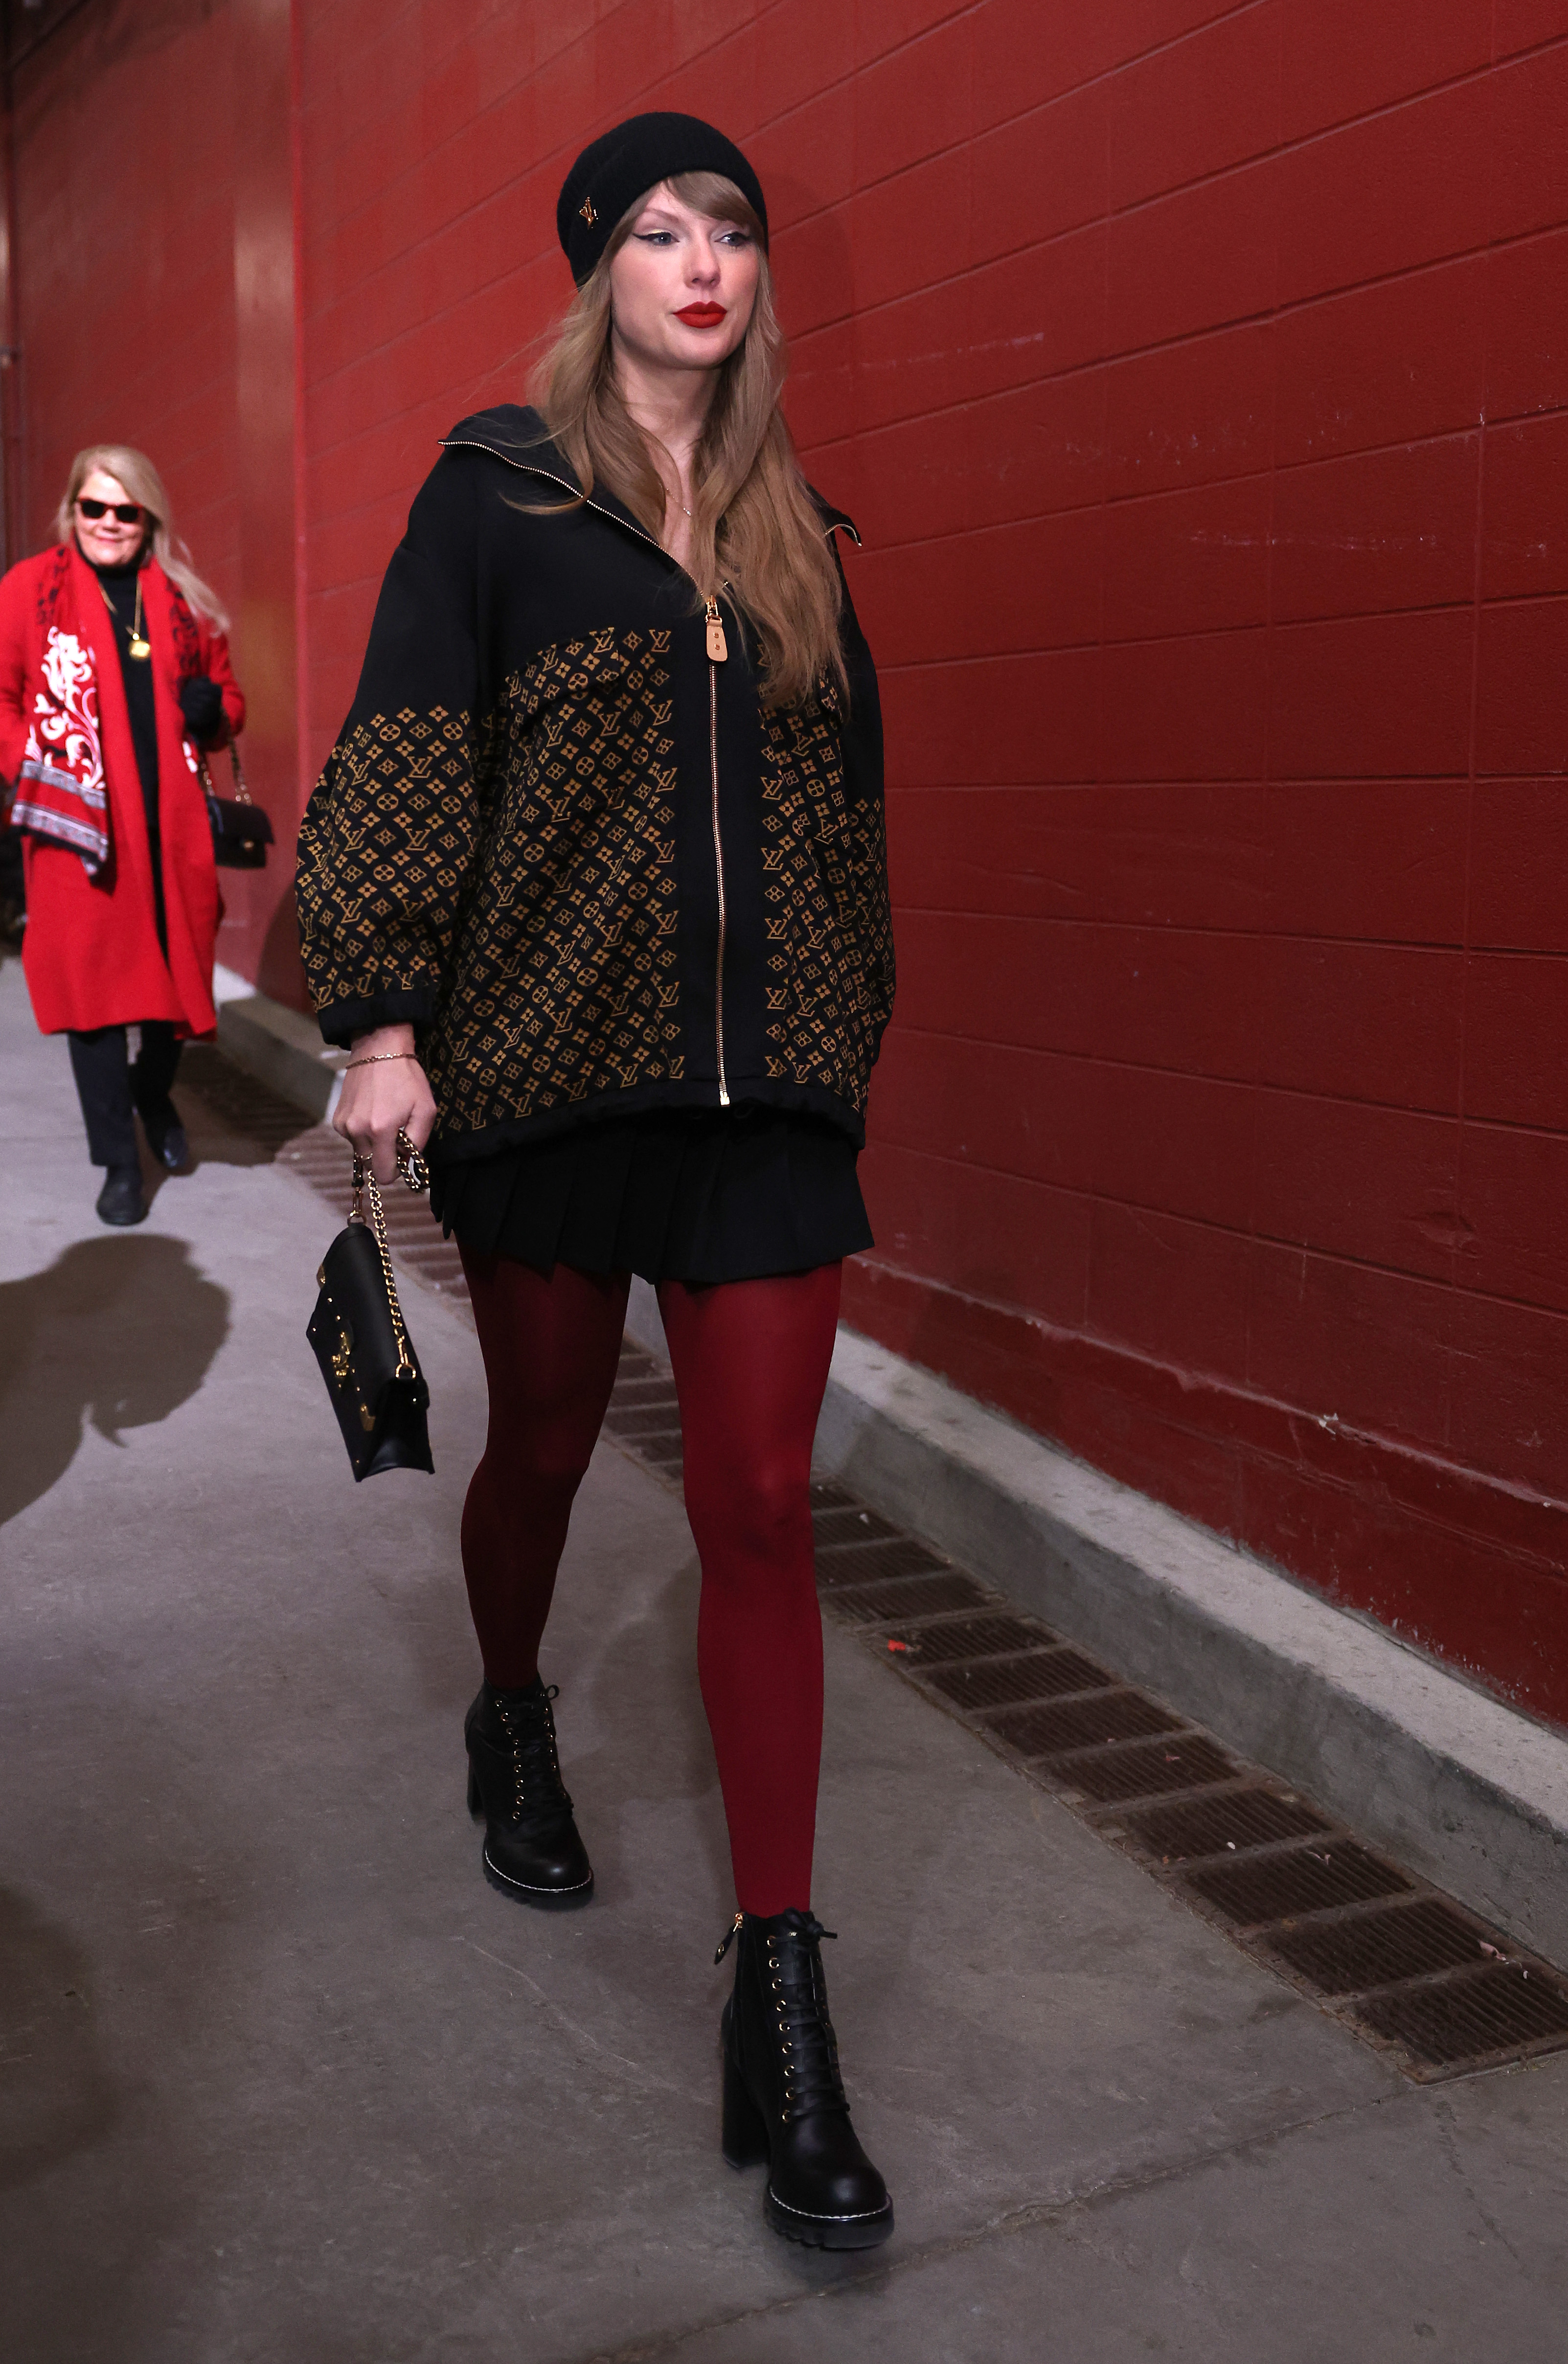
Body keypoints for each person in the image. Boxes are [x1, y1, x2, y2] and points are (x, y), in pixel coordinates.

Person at [296, 114, 897, 2251]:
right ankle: (514, 1708)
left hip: (761, 1108)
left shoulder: (797, 529)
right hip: (551, 1074)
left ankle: (782, 1989)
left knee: (751, 1501)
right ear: (598, 271)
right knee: (543, 1442)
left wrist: (840, 1029)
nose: (703, 260)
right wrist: (381, 1023)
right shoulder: (500, 498)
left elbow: (847, 822)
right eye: (659, 230)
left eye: (731, 227)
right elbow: (401, 750)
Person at [0, 447, 244, 1225]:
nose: (108, 524)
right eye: (92, 508)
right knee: (94, 1003)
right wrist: (34, 768)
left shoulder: (181, 599)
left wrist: (215, 713)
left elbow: (230, 699)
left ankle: (154, 1096)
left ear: (149, 518)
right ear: (72, 511)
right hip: (77, 830)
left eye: (124, 510)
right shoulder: (29, 591)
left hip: (169, 834)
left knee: (174, 990)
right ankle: (117, 1163)